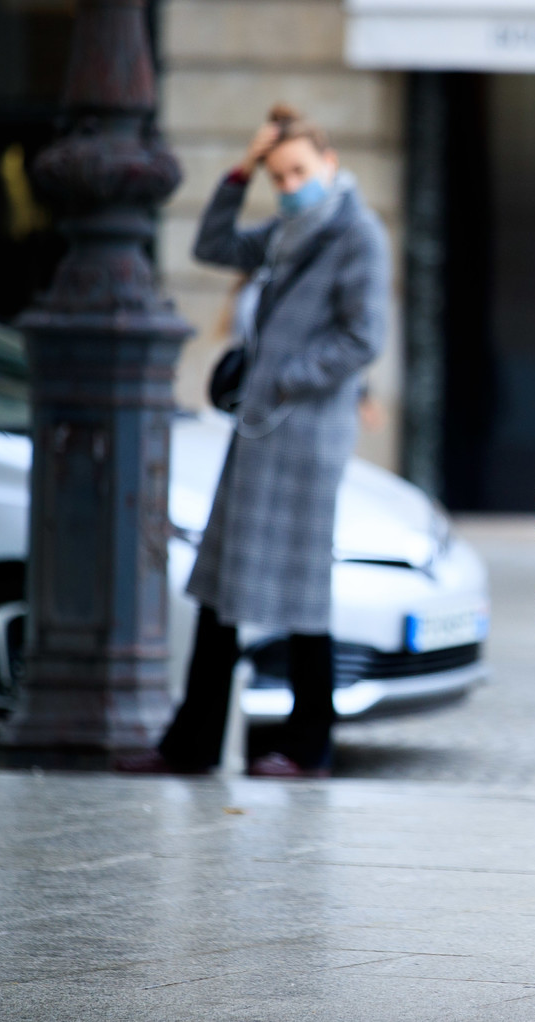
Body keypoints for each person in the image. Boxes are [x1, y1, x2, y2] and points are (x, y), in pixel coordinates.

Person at [116, 104, 390, 779]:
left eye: (299, 169)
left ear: (329, 162)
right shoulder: (289, 230)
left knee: (301, 594)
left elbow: (364, 337)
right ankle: (192, 742)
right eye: (279, 174)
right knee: (221, 585)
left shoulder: (356, 233)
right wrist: (241, 169)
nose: (290, 183)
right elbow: (211, 245)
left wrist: (280, 380)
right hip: (263, 433)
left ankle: (307, 746)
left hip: (302, 436)